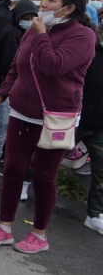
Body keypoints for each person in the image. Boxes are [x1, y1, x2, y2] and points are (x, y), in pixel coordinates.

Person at [0, 0, 95, 253]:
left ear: (68, 8)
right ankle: (5, 227)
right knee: (12, 170)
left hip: (56, 117)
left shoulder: (82, 36)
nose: (43, 3)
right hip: (22, 112)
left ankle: (39, 235)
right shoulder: (34, 29)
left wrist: (42, 35)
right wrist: (2, 94)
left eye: (51, 0)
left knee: (44, 177)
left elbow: (53, 66)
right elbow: (18, 66)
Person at [0, 0, 39, 176]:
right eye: (25, 17)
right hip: (6, 85)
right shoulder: (13, 33)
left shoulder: (30, 35)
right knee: (3, 124)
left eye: (32, 17)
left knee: (10, 127)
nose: (29, 20)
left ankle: (2, 158)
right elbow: (9, 64)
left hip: (16, 87)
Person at [79, 22, 103, 235]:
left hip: (100, 128)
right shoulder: (90, 51)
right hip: (75, 119)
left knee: (102, 171)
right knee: (47, 155)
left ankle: (95, 214)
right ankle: (24, 183)